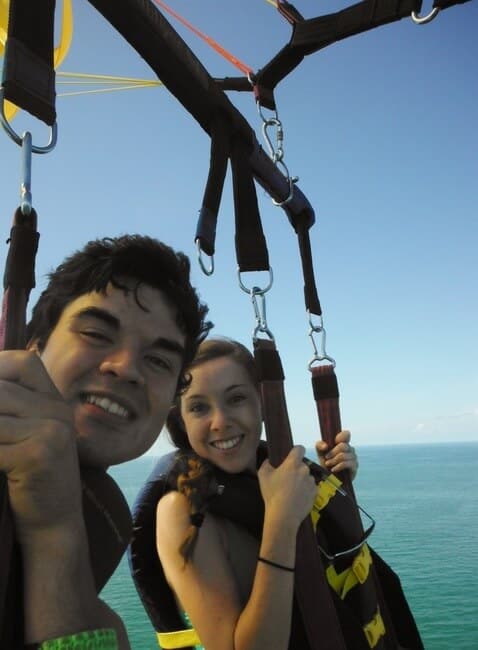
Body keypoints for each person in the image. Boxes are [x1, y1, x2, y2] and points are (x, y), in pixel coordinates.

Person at [0, 234, 211, 650]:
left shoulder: (105, 623)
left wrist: (54, 534)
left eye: (157, 360)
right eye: (97, 333)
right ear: (32, 347)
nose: (126, 368)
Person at [153, 337, 359, 650]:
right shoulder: (183, 511)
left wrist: (330, 484)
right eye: (198, 407)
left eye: (236, 399)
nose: (220, 422)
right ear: (181, 421)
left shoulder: (280, 479)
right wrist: (281, 522)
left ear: (262, 404)